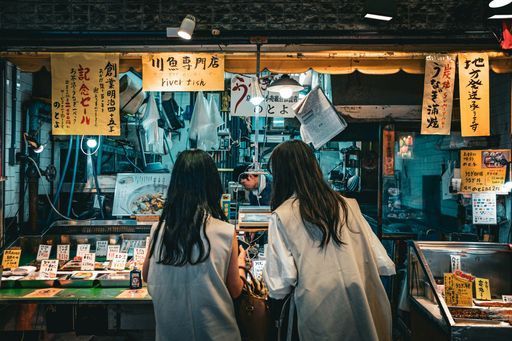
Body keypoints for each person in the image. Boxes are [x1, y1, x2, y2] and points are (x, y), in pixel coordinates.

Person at [263, 140, 395, 341]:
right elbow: (384, 263)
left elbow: (279, 286)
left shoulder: (282, 216)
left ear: (281, 175)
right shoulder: (348, 205)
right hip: (362, 306)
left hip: (318, 314)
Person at [143, 150, 247, 341]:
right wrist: (241, 263)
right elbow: (235, 289)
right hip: (217, 334)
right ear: (213, 185)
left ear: (175, 185)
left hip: (170, 334)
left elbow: (146, 276)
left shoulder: (158, 230)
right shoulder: (224, 231)